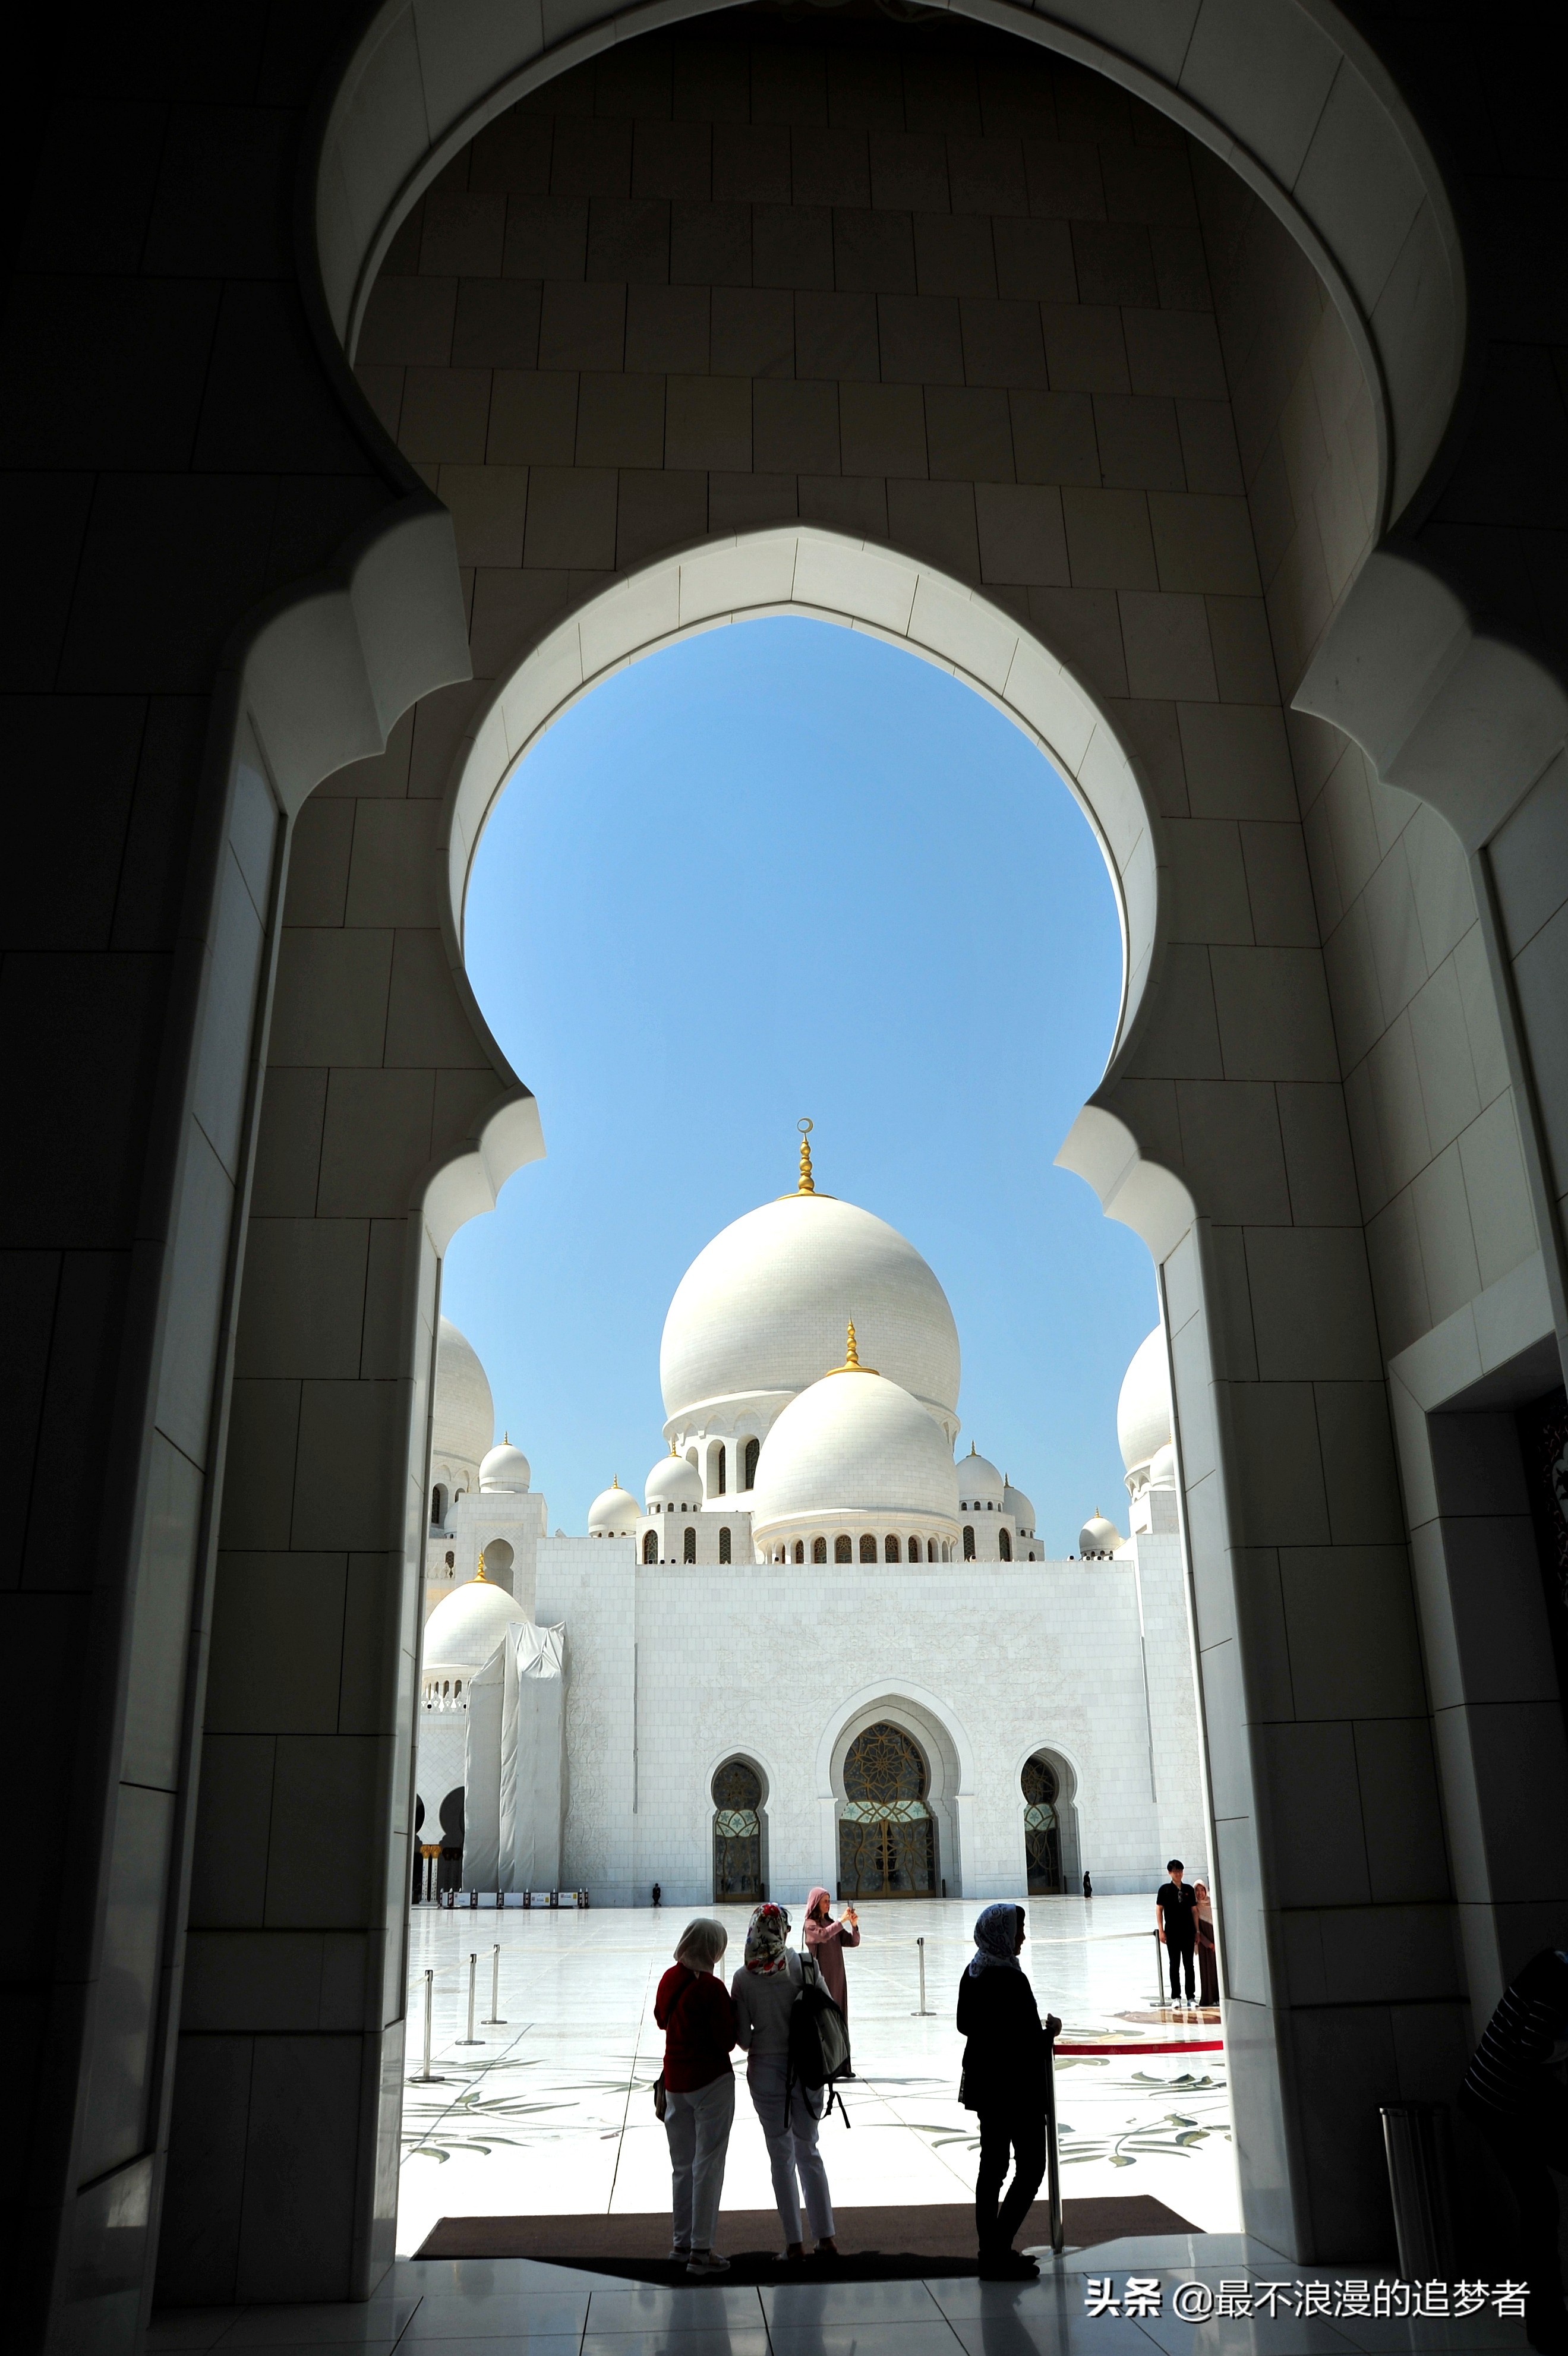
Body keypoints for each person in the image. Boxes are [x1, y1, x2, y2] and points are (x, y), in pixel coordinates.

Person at [1459, 1947, 1568, 2354]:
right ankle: (1547, 2325)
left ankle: (1547, 2324)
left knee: (1538, 2205)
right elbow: (1530, 2048)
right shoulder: (1557, 1981)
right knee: (1539, 2205)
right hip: (1504, 2104)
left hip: (1503, 2100)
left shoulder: (1550, 1965)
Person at [957, 1902, 1062, 2281]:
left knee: (993, 2166)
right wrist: (1050, 2033)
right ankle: (998, 2249)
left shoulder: (974, 1972)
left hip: (987, 2084)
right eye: (1018, 1929)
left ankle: (991, 2252)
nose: (1021, 1936)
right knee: (1032, 2164)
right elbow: (1027, 2038)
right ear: (1002, 1933)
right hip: (1016, 2086)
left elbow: (964, 2024)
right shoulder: (1012, 1980)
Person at [731, 1901, 838, 2262]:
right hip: (807, 2068)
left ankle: (794, 2244)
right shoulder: (805, 1964)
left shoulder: (744, 1978)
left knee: (781, 2154)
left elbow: (743, 2040)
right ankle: (826, 2239)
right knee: (809, 2149)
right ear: (783, 1930)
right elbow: (824, 2013)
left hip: (766, 2072)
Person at [654, 1917, 737, 2276]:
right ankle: (702, 2253)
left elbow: (661, 2018)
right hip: (710, 2084)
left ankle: (681, 2244)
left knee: (683, 2167)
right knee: (708, 2166)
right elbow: (726, 2041)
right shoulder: (712, 1988)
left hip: (675, 2083)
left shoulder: (671, 1978)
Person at [803, 1887, 860, 2070]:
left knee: (839, 2019)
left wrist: (853, 1925)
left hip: (838, 1980)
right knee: (825, 2023)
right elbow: (824, 1935)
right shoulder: (810, 1924)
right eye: (825, 1901)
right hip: (822, 1982)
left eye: (829, 1901)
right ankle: (825, 2066)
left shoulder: (831, 1923)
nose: (828, 1904)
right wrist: (841, 1921)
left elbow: (852, 1941)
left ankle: (842, 2066)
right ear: (816, 1903)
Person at [1156, 1859, 1197, 2005]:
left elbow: (1194, 1911)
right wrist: (1161, 1930)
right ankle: (1176, 1997)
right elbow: (1159, 1909)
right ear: (1170, 1873)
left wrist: (1197, 1931)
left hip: (1188, 1932)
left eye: (1180, 1871)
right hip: (1172, 1933)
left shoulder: (1189, 1889)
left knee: (1189, 1965)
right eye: (1175, 1871)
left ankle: (1191, 1997)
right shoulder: (1164, 1890)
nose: (1178, 1874)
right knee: (1174, 1964)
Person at [1193, 1881, 1219, 2008]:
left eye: (1202, 1890)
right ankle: (1208, 1998)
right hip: (1205, 1944)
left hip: (1217, 1942)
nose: (1200, 1893)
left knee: (1218, 1970)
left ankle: (1219, 1996)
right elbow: (1196, 1929)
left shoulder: (1213, 1904)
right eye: (1197, 1891)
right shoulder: (1195, 1908)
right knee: (1206, 1970)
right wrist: (1209, 1944)